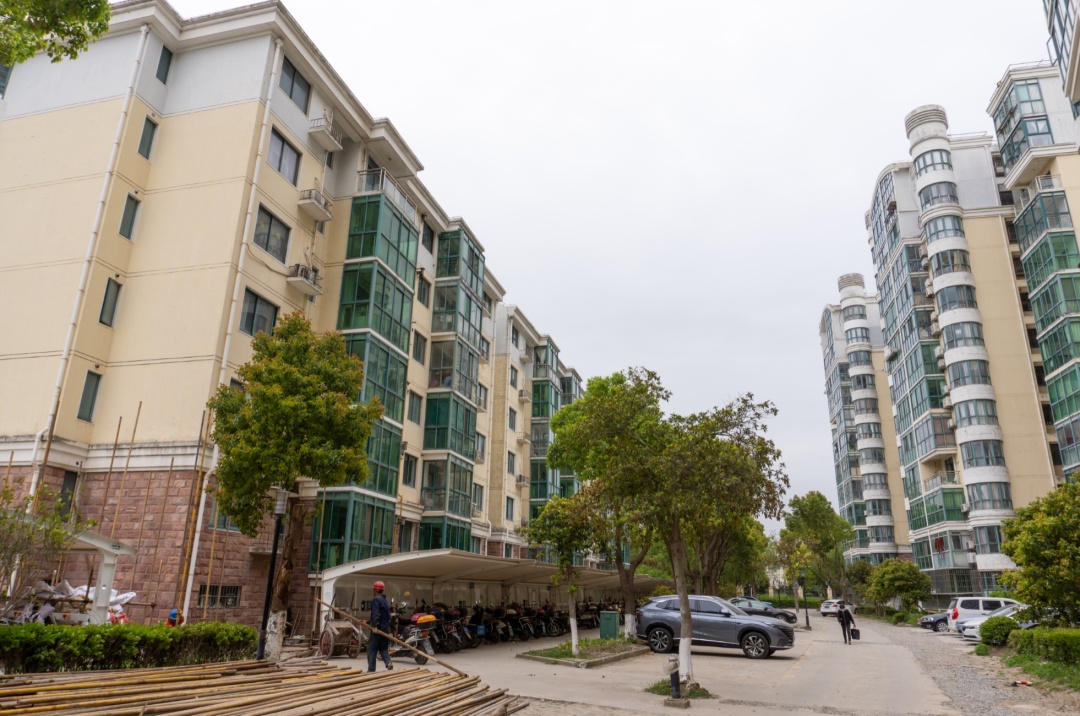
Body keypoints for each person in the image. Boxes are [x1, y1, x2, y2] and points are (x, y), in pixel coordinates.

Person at [366, 580, 393, 672]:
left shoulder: (376, 600)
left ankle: (371, 671)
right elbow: (386, 616)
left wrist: (375, 626)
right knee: (383, 648)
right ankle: (388, 662)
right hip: (385, 629)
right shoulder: (385, 601)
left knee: (372, 650)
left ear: (375, 590)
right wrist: (367, 622)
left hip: (377, 631)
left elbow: (376, 615)